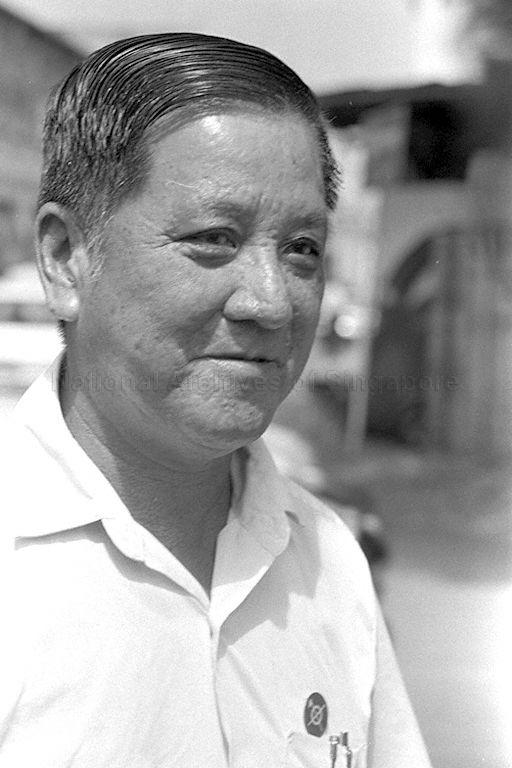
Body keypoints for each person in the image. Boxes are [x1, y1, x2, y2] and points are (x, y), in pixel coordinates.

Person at [0, 33, 431, 768]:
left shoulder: (325, 557)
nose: (271, 302)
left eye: (301, 249)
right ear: (66, 257)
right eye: (212, 238)